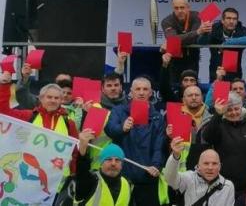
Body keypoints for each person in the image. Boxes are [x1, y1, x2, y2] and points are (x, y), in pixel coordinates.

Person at [0, 74, 80, 179]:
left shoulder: (69, 123)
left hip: (56, 180)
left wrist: (73, 172)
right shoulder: (29, 116)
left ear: (61, 101)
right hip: (29, 174)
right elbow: (3, 111)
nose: (53, 100)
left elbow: (74, 152)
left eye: (56, 98)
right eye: (49, 97)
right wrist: (4, 85)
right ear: (41, 99)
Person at [105, 77, 167, 206]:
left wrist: (156, 166)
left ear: (151, 93)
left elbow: (158, 146)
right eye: (138, 89)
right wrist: (122, 128)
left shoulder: (157, 118)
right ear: (131, 92)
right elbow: (109, 130)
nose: (141, 92)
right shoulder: (119, 111)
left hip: (147, 177)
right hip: (122, 176)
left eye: (145, 89)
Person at [203, 92, 246, 191]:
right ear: (224, 111)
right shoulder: (219, 127)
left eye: (236, 109)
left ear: (241, 108)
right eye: (229, 110)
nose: (233, 113)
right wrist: (217, 114)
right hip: (223, 184)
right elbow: (207, 137)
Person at [164, 137, 236, 206]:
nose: (210, 167)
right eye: (206, 163)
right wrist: (175, 156)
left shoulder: (228, 186)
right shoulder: (189, 178)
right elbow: (170, 179)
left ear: (220, 167)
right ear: (198, 166)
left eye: (214, 164)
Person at [161, 0, 212, 82]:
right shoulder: (166, 21)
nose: (179, 11)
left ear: (188, 7)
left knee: (191, 86)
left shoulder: (196, 16)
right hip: (175, 59)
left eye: (182, 7)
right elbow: (173, 40)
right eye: (176, 8)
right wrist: (196, 32)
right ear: (173, 8)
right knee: (176, 86)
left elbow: (194, 40)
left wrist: (177, 40)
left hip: (192, 58)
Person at [74, 131, 131, 206]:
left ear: (122, 165)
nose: (113, 163)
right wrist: (82, 151)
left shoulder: (126, 184)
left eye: (117, 160)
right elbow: (82, 171)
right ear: (101, 164)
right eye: (108, 159)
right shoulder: (91, 181)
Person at [201, 7, 246, 82]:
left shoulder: (240, 28)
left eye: (234, 19)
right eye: (228, 18)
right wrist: (204, 33)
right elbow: (201, 42)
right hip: (217, 72)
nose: (231, 21)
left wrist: (226, 43)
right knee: (219, 93)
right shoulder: (215, 28)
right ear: (222, 20)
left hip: (235, 74)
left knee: (234, 93)